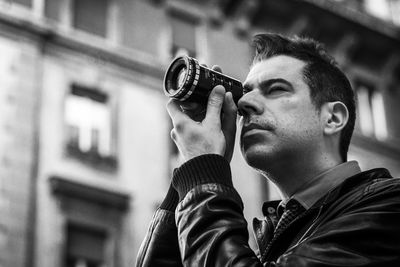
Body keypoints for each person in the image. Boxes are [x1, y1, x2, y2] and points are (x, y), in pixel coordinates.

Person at [136, 33, 400, 267]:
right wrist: (191, 172)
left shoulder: (388, 207)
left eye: (275, 90)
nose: (246, 103)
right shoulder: (277, 232)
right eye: (245, 92)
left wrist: (203, 172)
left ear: (332, 118)